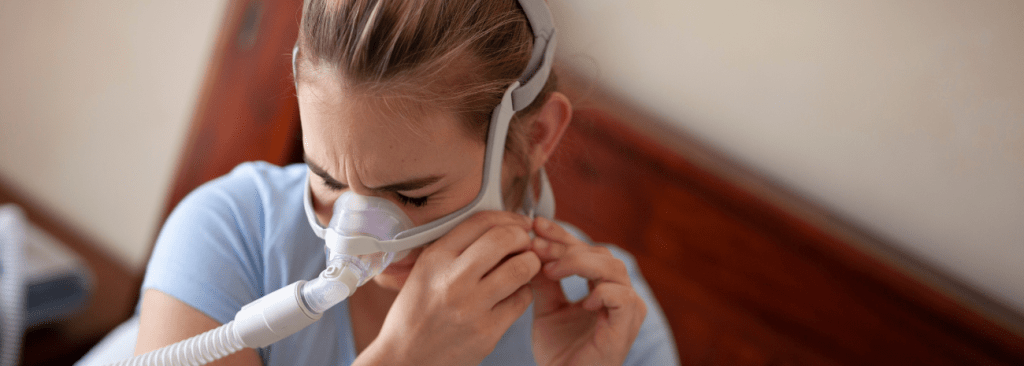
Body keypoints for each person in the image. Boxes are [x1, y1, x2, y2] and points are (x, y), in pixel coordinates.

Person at [134, 0, 679, 365]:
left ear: (535, 137)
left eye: (411, 195)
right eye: (325, 176)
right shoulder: (234, 231)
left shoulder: (609, 318)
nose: (354, 234)